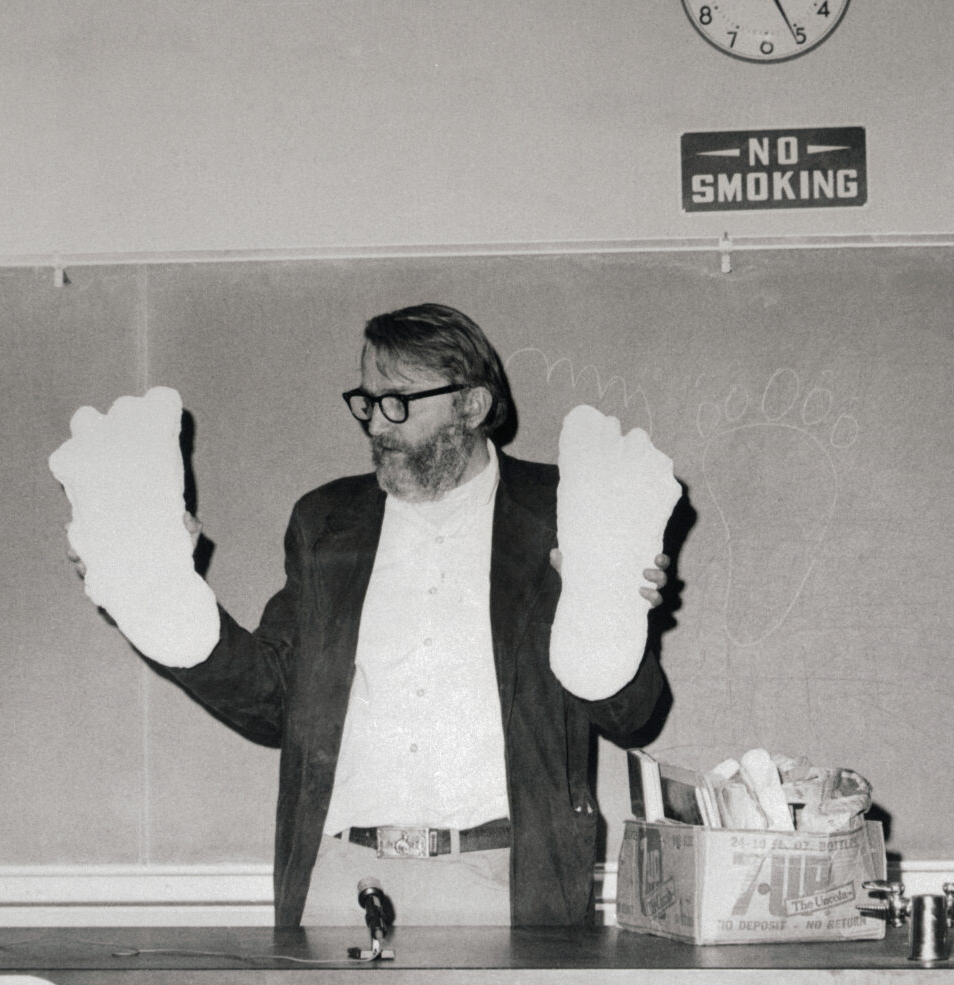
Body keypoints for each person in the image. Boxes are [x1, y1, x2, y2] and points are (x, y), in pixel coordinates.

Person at [73, 303, 671, 927]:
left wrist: (613, 619)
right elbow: (275, 703)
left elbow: (631, 716)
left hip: (507, 882)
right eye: (367, 401)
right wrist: (163, 603)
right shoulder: (327, 523)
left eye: (399, 400)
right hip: (344, 880)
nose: (376, 424)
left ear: (471, 405)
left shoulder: (563, 510)